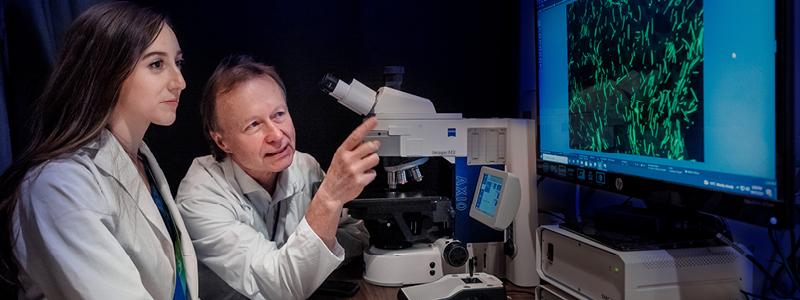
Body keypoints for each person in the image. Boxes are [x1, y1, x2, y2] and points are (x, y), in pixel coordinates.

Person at [0, 2, 198, 299]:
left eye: (178, 63)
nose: (179, 82)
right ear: (108, 71)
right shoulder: (56, 184)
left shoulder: (141, 161)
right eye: (157, 64)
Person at [176, 54, 378, 300]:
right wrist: (327, 201)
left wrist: (302, 256)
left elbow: (357, 234)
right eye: (253, 124)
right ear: (222, 141)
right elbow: (279, 290)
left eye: (279, 114)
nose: (276, 134)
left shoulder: (304, 167)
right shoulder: (201, 197)